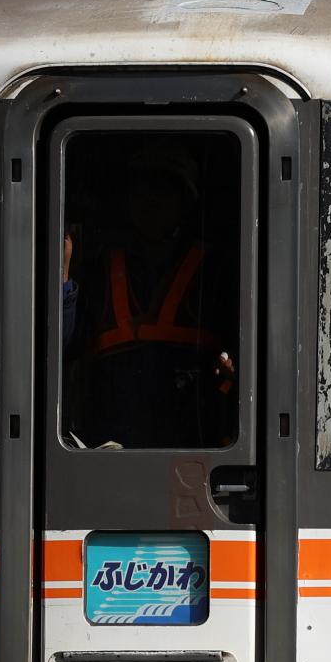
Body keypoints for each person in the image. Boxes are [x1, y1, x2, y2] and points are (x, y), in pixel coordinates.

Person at [65, 143, 235, 447]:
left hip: (191, 446)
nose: (150, 202)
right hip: (110, 450)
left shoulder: (215, 271)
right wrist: (64, 277)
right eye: (142, 190)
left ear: (185, 201)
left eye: (163, 191)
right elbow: (64, 347)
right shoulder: (103, 267)